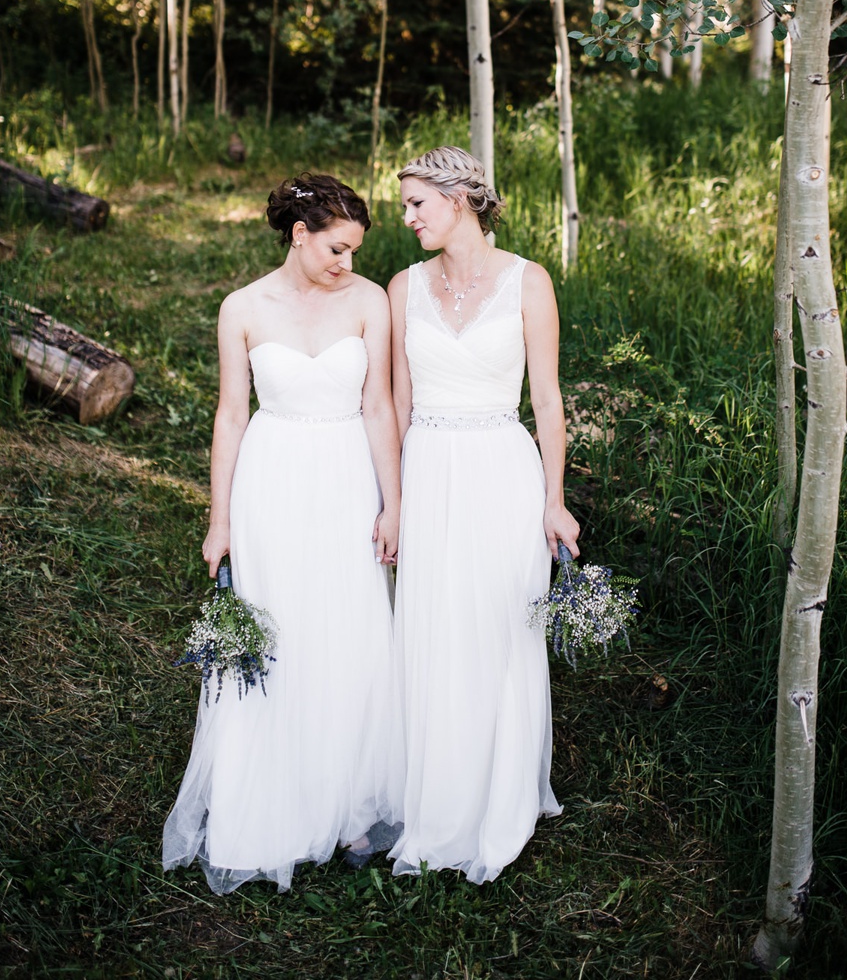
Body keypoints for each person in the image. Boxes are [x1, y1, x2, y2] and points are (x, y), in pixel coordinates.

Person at [163, 173, 404, 893]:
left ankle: (353, 799)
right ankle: (270, 803)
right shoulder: (241, 308)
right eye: (337, 248)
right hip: (271, 480)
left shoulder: (370, 302)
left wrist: (393, 504)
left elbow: (380, 409)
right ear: (299, 235)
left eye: (356, 250)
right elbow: (231, 417)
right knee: (278, 628)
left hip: (345, 479)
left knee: (351, 630)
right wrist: (220, 519)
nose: (348, 264)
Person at [387, 145, 580, 883]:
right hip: (430, 467)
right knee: (434, 629)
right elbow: (400, 402)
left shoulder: (529, 282)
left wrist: (554, 501)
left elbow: (550, 402)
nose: (406, 219)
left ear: (458, 200)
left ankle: (499, 798)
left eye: (416, 205)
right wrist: (394, 501)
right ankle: (436, 797)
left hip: (503, 470)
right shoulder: (403, 286)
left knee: (498, 627)